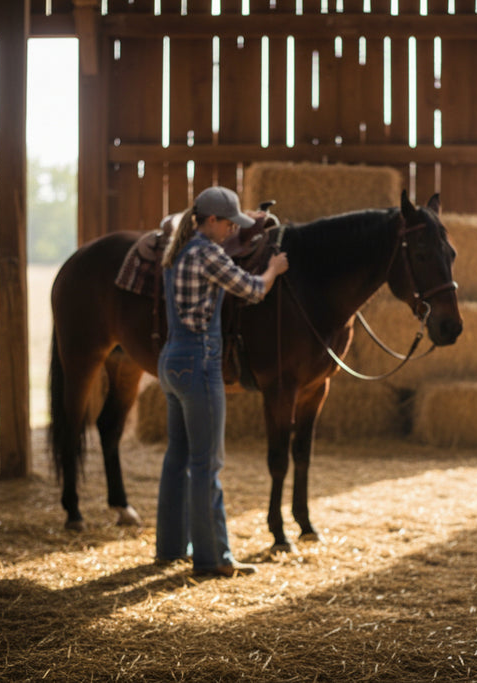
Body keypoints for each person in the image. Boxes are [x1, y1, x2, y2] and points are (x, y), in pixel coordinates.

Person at [155, 186, 289, 577]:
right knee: (207, 462)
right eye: (229, 222)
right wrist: (274, 269)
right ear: (211, 221)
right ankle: (214, 559)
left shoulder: (177, 251)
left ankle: (170, 547)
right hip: (199, 362)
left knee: (177, 457)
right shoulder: (208, 252)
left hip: (171, 360)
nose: (233, 229)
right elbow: (252, 289)